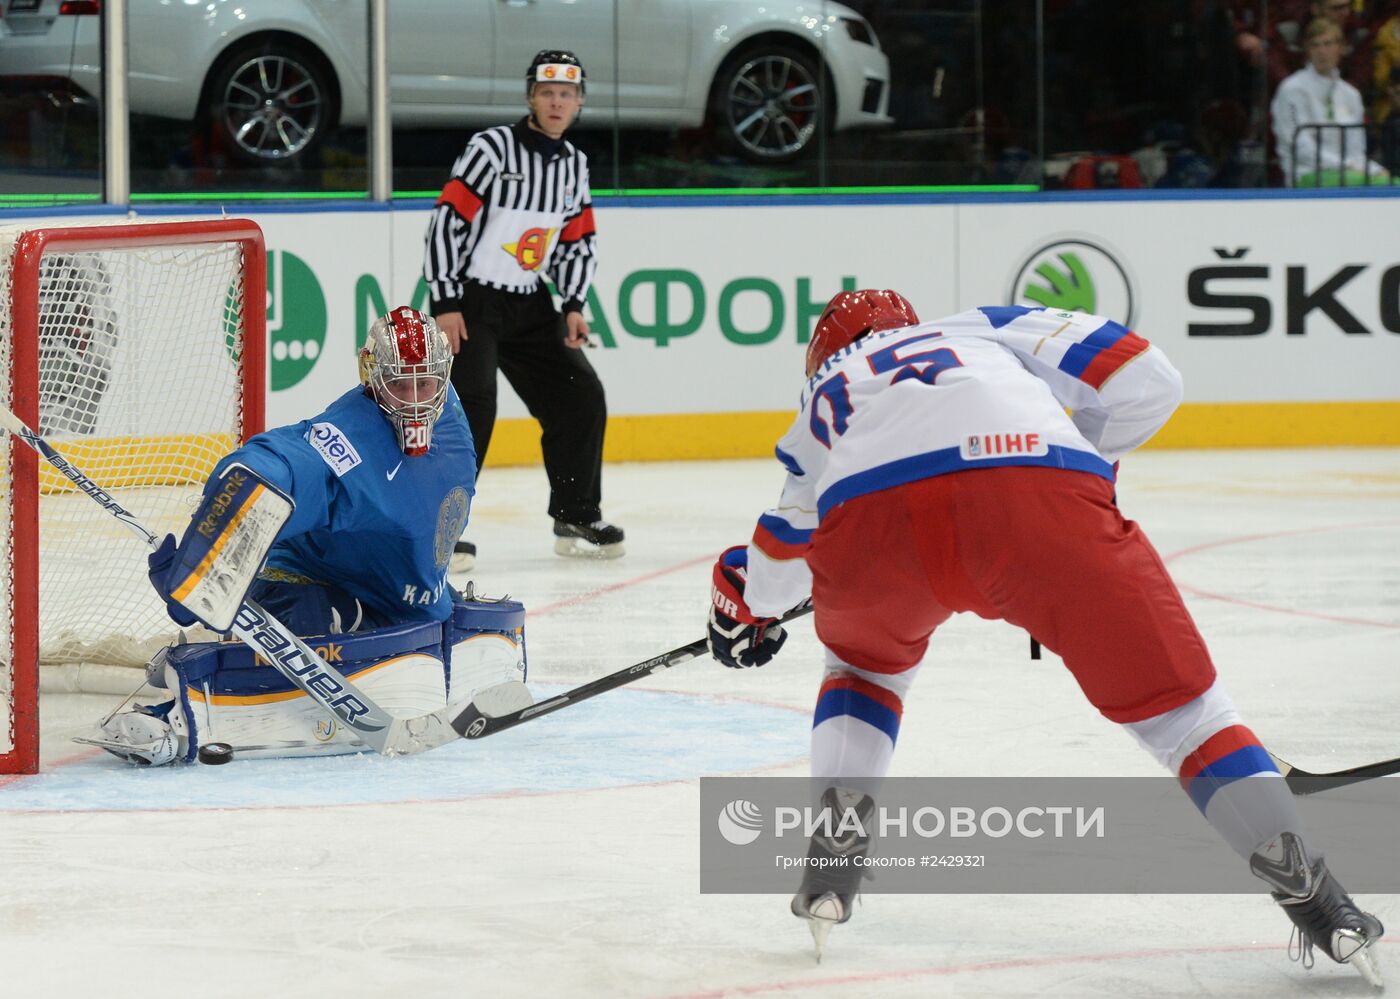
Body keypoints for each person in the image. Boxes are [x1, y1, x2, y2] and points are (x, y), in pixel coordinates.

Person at [704, 290, 1384, 984]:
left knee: (862, 670)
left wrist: (741, 606)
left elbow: (778, 564)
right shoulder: (979, 327)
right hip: (1035, 489)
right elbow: (1147, 376)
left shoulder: (825, 390)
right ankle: (1317, 899)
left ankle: (833, 856)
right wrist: (1085, 464)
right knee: (1185, 716)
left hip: (874, 527)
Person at [83, 307, 526, 765]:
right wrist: (216, 546)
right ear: (372, 378)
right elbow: (296, 461)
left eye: (425, 383)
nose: (415, 401)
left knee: (461, 624)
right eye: (399, 385)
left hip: (383, 581)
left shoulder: (451, 413)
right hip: (303, 574)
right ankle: (181, 705)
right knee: (319, 622)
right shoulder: (352, 439)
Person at [423, 49, 622, 572]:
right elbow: (447, 221)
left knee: (579, 395)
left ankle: (576, 514)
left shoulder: (574, 164)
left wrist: (573, 303)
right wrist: (446, 301)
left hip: (530, 300)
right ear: (531, 97)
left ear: (579, 102)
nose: (557, 103)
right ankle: (439, 528)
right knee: (472, 409)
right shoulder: (491, 148)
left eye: (567, 94)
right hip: (472, 300)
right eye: (547, 93)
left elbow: (576, 240)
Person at [1272, 16, 1390, 184]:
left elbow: (1356, 151)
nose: (1322, 51)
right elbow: (1301, 148)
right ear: (1307, 50)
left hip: (1350, 172)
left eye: (1328, 44)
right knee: (1378, 184)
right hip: (1306, 174)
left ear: (1341, 48)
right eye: (1315, 45)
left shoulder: (1351, 94)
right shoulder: (1291, 89)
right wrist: (1346, 166)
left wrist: (1374, 170)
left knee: (1393, 182)